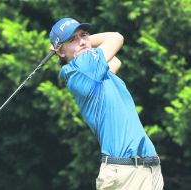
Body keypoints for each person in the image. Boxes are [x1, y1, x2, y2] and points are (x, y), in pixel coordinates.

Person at [49, 18, 164, 190]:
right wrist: (86, 43)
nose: (81, 41)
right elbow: (116, 37)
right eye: (72, 39)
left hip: (146, 168)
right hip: (126, 172)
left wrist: (79, 43)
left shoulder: (95, 71)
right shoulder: (83, 67)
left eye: (84, 35)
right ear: (60, 52)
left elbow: (116, 62)